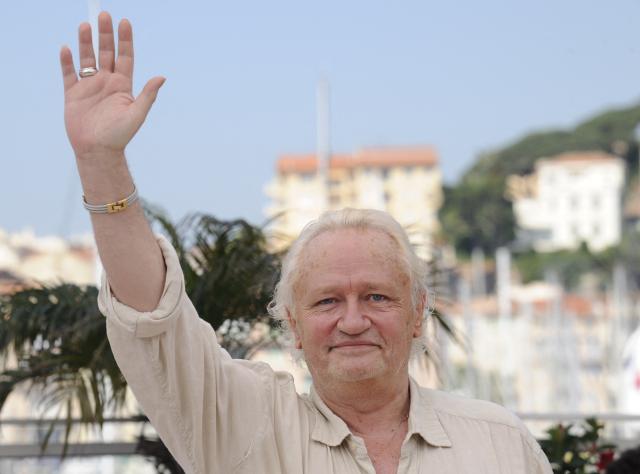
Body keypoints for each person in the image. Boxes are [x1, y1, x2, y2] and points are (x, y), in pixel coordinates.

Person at [61, 11, 553, 474]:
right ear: (293, 325)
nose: (354, 321)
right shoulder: (244, 428)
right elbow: (156, 323)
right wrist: (101, 164)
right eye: (327, 301)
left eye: (377, 296)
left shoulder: (498, 444)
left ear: (418, 312)